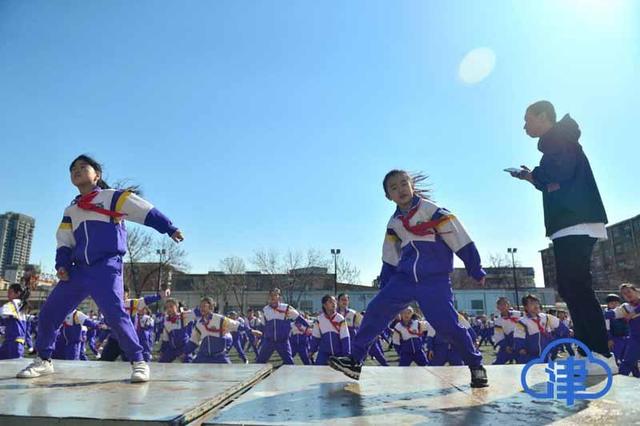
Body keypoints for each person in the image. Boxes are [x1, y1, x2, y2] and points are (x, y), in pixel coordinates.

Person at [16, 155, 183, 382]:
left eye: (83, 167)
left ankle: (139, 361)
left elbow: (145, 210)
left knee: (115, 313)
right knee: (48, 313)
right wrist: (62, 265)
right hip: (79, 269)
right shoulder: (71, 210)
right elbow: (64, 241)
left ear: (97, 175)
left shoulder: (112, 198)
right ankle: (43, 360)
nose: (77, 170)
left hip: (106, 266)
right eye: (73, 169)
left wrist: (169, 228)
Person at [330, 170, 488, 387]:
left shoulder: (431, 211)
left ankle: (476, 365)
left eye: (404, 183)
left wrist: (474, 267)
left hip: (434, 280)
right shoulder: (394, 222)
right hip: (404, 279)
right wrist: (386, 285)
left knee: (447, 325)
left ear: (412, 185)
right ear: (388, 196)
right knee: (376, 310)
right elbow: (390, 255)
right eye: (393, 187)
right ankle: (354, 361)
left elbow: (459, 236)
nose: (400, 189)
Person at [511, 101, 615, 374]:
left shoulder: (557, 139)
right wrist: (532, 177)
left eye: (527, 119)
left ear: (543, 116)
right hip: (570, 221)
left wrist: (535, 175)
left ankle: (601, 355)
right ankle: (589, 352)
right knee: (571, 288)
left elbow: (558, 173)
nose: (525, 126)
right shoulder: (557, 141)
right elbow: (553, 180)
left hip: (574, 220)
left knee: (577, 287)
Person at [256, 288, 309, 365]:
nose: (272, 297)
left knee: (289, 363)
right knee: (259, 362)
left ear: (279, 297)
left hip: (283, 342)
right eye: (271, 295)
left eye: (275, 295)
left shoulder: (286, 308)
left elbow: (299, 318)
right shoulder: (265, 310)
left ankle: (289, 376)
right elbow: (262, 326)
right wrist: (257, 338)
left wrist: (308, 327)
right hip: (269, 341)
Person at [514, 294, 567, 364]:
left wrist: (567, 332)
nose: (536, 305)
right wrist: (521, 349)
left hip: (547, 354)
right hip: (531, 357)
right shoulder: (522, 322)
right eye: (532, 303)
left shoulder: (546, 317)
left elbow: (560, 326)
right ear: (526, 307)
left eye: (536, 303)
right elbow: (518, 337)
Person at [604, 284, 640, 377]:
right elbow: (610, 314)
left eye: (629, 291)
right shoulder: (625, 308)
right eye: (624, 294)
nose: (627, 294)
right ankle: (619, 383)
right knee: (627, 362)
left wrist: (634, 312)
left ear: (635, 291)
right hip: (635, 339)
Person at [0, 270, 36, 360]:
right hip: (11, 343)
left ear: (18, 293)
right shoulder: (22, 305)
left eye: (10, 292)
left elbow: (2, 312)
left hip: (14, 344)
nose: (8, 294)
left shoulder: (13, 304)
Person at [310, 295, 350, 365]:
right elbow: (316, 337)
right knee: (318, 371)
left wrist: (346, 354)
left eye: (335, 301)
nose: (334, 303)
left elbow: (345, 338)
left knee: (339, 374)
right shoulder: (319, 320)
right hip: (323, 354)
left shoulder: (340, 319)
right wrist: (312, 351)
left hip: (338, 354)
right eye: (331, 302)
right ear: (324, 305)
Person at [492, 297, 522, 365]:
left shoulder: (518, 314)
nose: (503, 306)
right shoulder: (498, 321)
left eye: (505, 304)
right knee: (497, 364)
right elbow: (499, 335)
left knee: (523, 363)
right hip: (507, 343)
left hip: (520, 343)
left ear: (508, 305)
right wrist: (505, 346)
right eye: (500, 304)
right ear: (497, 307)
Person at [604, 293, 629, 366]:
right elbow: (607, 328)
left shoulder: (622, 312)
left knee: (628, 358)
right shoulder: (607, 314)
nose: (614, 305)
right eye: (612, 303)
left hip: (625, 338)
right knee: (615, 358)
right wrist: (609, 339)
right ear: (608, 304)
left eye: (616, 303)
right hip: (615, 339)